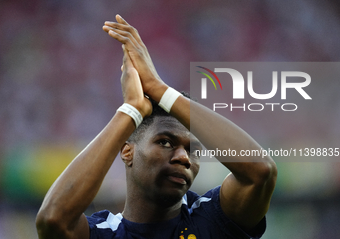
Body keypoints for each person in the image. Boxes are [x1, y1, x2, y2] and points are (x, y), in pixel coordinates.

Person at [36, 14, 277, 239]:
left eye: (193, 150)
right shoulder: (103, 233)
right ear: (127, 151)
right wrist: (132, 110)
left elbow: (260, 172)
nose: (184, 158)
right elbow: (53, 219)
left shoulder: (211, 221)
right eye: (165, 142)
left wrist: (159, 89)